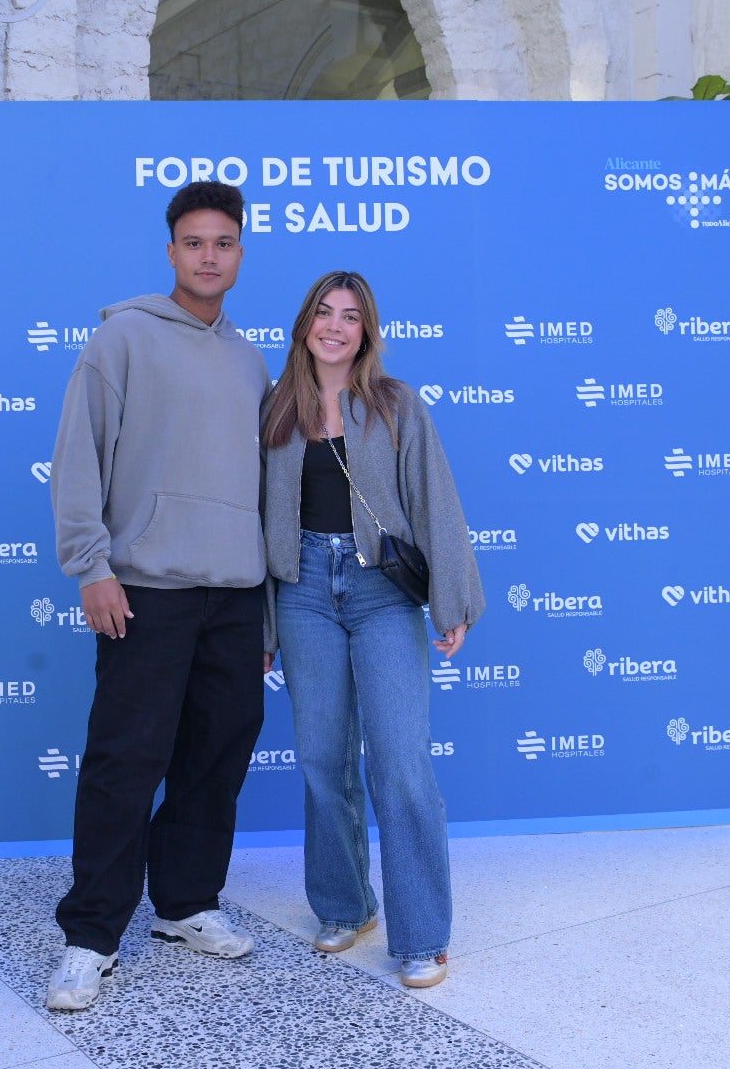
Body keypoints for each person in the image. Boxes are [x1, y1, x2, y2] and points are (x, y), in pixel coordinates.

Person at [45, 181, 270, 1011]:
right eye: (194, 243)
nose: (209, 256)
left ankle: (186, 904)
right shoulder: (123, 340)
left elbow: (259, 490)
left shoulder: (251, 359)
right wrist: (90, 566)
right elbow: (78, 461)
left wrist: (267, 608)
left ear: (240, 256)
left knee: (215, 760)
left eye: (224, 243)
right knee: (123, 763)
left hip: (235, 597)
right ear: (171, 252)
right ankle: (90, 936)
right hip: (142, 589)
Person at [261, 270, 485, 989]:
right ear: (304, 324)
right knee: (321, 760)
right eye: (323, 312)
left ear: (366, 331)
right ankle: (345, 905)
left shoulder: (394, 405)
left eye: (350, 316)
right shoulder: (274, 411)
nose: (334, 325)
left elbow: (435, 499)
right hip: (299, 592)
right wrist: (262, 619)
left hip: (379, 591)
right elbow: (255, 521)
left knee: (398, 761)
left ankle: (422, 934)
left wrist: (453, 600)